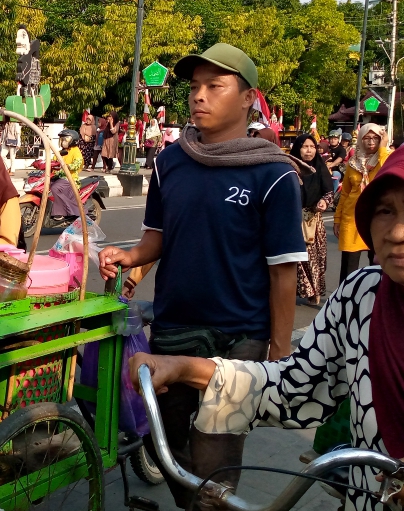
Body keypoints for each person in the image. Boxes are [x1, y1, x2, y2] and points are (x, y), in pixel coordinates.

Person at [131, 145, 404, 511]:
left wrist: (277, 342)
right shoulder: (361, 296)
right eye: (386, 211)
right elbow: (294, 385)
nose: (397, 232)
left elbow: (283, 268)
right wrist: (182, 368)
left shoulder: (275, 177)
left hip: (244, 328)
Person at [98, 43, 307, 509]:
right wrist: (129, 256)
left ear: (248, 97)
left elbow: (283, 272)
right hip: (175, 325)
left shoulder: (272, 174)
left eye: (215, 86)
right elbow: (158, 237)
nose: (199, 96)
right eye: (195, 87)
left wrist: (278, 352)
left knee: (215, 462)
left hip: (240, 338)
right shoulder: (170, 162)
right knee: (166, 444)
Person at [335, 124, 390, 282]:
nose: (371, 141)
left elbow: (385, 161)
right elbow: (345, 193)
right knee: (348, 269)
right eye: (367, 138)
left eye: (375, 138)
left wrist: (383, 145)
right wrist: (338, 219)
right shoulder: (353, 163)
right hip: (352, 218)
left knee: (378, 266)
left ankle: (376, 302)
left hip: (377, 218)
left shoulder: (385, 158)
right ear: (360, 139)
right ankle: (344, 302)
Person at [290, 134, 333, 306]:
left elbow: (328, 191)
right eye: (305, 146)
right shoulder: (290, 168)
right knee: (298, 259)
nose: (309, 151)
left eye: (312, 147)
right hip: (293, 219)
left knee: (316, 258)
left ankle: (314, 291)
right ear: (298, 148)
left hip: (314, 220)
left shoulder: (320, 168)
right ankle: (301, 290)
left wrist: (324, 201)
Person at [50, 129, 84, 221]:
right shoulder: (62, 151)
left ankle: (60, 212)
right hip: (59, 177)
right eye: (62, 140)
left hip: (70, 179)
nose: (62, 142)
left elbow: (78, 163)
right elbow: (53, 160)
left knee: (55, 188)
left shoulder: (75, 151)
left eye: (65, 140)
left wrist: (67, 166)